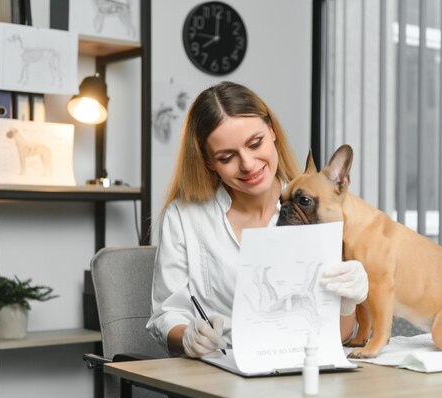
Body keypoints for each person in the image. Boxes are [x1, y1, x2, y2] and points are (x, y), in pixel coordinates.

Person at [146, 81, 368, 358]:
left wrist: (346, 303)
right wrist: (189, 337)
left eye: (255, 143)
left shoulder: (315, 207)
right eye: (227, 157)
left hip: (304, 375)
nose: (248, 164)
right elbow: (167, 314)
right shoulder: (186, 216)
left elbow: (337, 335)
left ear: (272, 131)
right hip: (220, 377)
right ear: (208, 162)